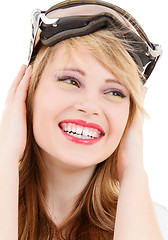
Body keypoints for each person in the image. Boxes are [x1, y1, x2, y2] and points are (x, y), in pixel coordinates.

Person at [0, 0, 165, 239]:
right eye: (70, 81)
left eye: (115, 92)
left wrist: (133, 170)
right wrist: (5, 153)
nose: (90, 107)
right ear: (28, 89)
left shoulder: (155, 223)